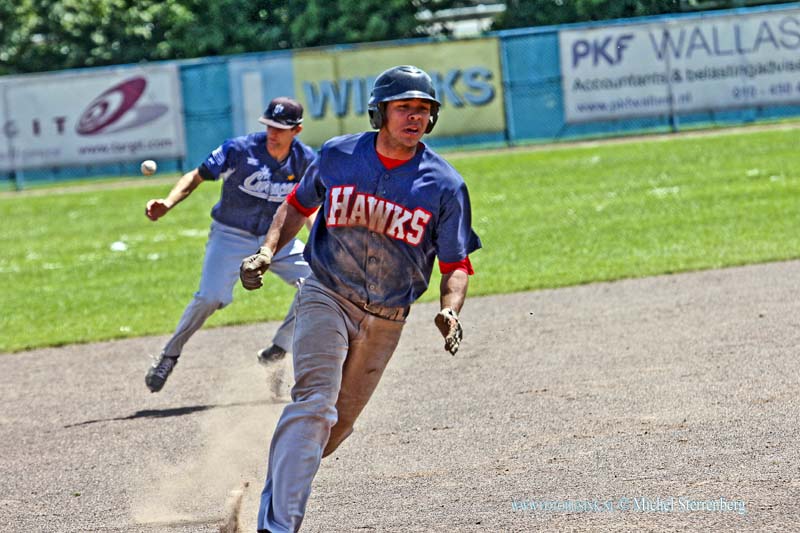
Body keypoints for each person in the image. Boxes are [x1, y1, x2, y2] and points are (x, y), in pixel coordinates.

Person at [239, 65, 482, 532]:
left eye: (423, 109)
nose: (415, 116)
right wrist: (268, 250)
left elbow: (456, 264)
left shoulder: (444, 184)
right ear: (380, 112)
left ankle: (271, 498)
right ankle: (278, 527)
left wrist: (450, 309)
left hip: (387, 320)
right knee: (314, 403)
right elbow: (297, 205)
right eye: (404, 107)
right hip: (327, 293)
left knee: (332, 431)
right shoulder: (338, 155)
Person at [143, 97, 317, 393]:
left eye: (281, 128)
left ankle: (277, 350)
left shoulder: (307, 160)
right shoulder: (239, 149)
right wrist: (168, 203)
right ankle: (169, 355)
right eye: (269, 125)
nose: (273, 132)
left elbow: (309, 206)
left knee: (318, 282)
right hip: (231, 234)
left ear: (297, 130)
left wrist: (317, 242)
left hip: (279, 239)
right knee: (209, 297)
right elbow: (196, 176)